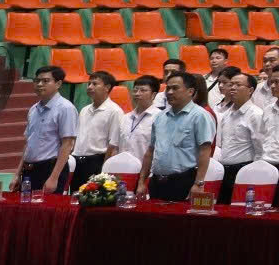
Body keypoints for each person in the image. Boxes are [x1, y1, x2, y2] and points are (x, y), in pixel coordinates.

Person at [143, 72, 216, 201]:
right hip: (156, 181)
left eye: (175, 88)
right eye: (168, 88)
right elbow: (150, 150)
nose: (170, 92)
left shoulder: (200, 116)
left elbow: (205, 151)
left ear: (190, 91)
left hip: (184, 181)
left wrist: (198, 183)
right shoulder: (160, 116)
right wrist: (142, 182)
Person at [18, 65, 78, 193]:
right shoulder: (33, 109)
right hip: (29, 171)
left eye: (45, 81)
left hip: (50, 170)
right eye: (37, 81)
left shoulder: (65, 108)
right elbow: (28, 144)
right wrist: (17, 174)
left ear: (58, 84)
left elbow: (67, 145)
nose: (40, 84)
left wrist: (54, 177)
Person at [74, 70, 128, 186]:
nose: (90, 87)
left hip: (96, 162)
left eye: (94, 84)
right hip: (77, 161)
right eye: (89, 84)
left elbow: (113, 145)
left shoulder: (115, 111)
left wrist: (104, 170)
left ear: (107, 87)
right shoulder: (84, 110)